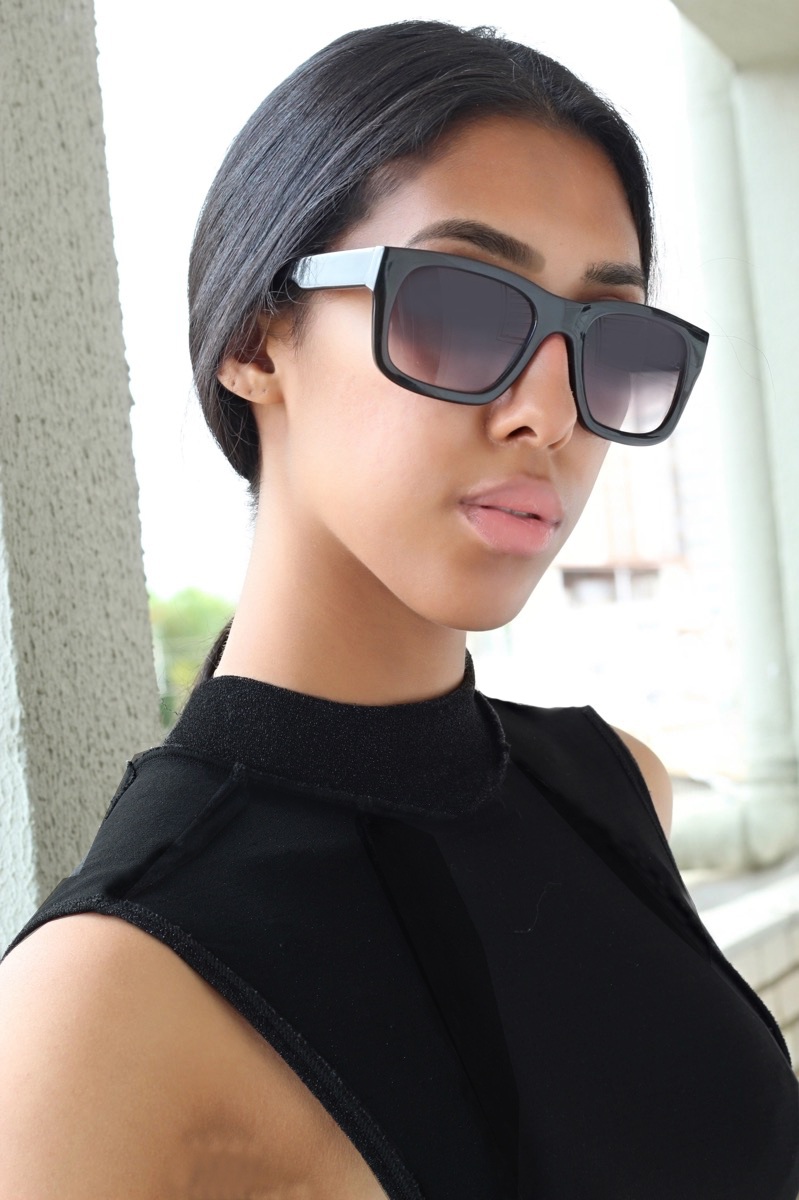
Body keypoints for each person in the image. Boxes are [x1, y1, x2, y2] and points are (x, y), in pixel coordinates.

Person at [1, 19, 797, 1200]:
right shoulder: (106, 997)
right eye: (462, 308)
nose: (548, 416)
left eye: (608, 340)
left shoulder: (615, 787)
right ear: (255, 339)